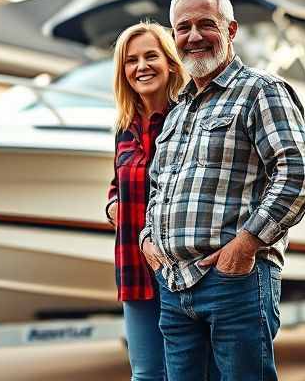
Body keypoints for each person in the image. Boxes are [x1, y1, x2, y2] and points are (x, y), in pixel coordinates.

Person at [139, 0, 305, 381]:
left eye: (207, 24)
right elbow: (158, 188)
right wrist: (147, 240)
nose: (194, 35)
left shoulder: (261, 91)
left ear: (231, 30)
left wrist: (245, 246)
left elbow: (300, 176)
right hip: (175, 286)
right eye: (183, 27)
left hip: (236, 282)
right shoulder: (177, 110)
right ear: (173, 38)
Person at [106, 22, 186, 381]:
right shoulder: (125, 127)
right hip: (134, 268)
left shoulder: (187, 117)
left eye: (151, 56)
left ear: (170, 63)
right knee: (145, 374)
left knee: (183, 372)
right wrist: (111, 206)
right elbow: (115, 184)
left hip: (180, 271)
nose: (141, 66)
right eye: (131, 60)